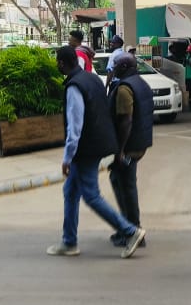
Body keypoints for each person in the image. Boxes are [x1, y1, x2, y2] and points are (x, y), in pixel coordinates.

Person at [50, 46, 146, 259]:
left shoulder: (74, 87)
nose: (57, 65)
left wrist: (67, 158)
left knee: (91, 195)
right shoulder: (92, 79)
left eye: (58, 62)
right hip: (98, 143)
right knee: (71, 191)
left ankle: (131, 231)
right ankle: (69, 242)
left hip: (86, 149)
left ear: (63, 63)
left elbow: (75, 127)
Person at [107, 53, 154, 249]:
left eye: (116, 65)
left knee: (125, 187)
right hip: (140, 142)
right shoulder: (141, 83)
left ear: (125, 66)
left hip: (130, 146)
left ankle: (133, 231)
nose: (113, 68)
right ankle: (127, 228)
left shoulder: (125, 88)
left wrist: (120, 150)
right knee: (119, 181)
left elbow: (126, 121)